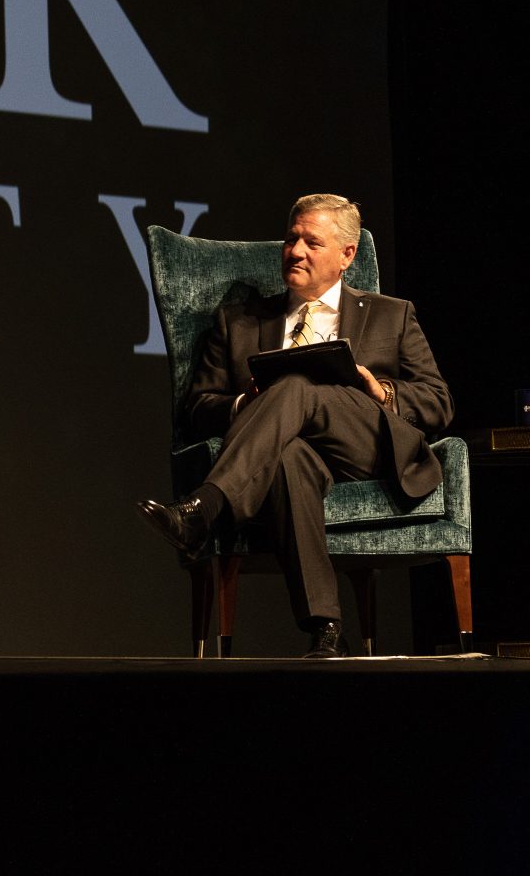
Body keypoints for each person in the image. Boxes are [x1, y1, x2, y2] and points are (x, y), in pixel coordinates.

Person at [136, 194, 453, 658]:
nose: (296, 251)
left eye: (312, 241)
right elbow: (196, 407)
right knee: (288, 457)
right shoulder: (239, 322)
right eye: (291, 239)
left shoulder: (392, 314)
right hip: (283, 453)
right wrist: (247, 402)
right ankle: (326, 629)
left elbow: (440, 402)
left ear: (347, 255)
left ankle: (204, 509)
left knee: (295, 385)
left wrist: (380, 392)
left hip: (368, 447)